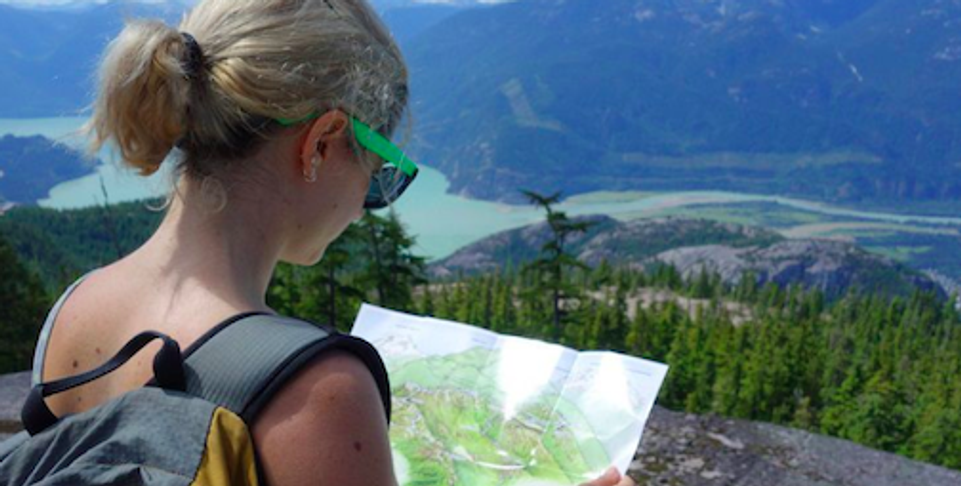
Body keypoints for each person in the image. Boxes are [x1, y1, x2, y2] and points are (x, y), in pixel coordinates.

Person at [33, 0, 637, 485]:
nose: (370, 201)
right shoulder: (318, 390)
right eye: (381, 168)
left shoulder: (73, 312)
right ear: (321, 143)